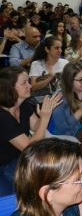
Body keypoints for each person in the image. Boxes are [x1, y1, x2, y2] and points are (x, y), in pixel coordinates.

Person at [0, 66, 62, 195]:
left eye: (28, 81)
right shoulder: (2, 116)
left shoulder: (24, 104)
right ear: (10, 88)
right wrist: (44, 118)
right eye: (24, 83)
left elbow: (36, 127)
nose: (29, 86)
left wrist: (46, 113)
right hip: (5, 164)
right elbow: (29, 147)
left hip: (21, 158)